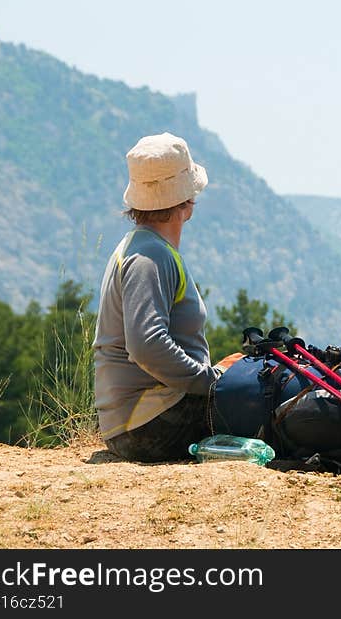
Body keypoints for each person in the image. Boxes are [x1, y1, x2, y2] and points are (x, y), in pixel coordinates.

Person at [93, 132, 241, 462]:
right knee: (261, 395)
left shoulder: (142, 247)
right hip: (147, 426)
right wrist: (210, 381)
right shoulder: (151, 257)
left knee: (243, 368)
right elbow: (147, 344)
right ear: (186, 201)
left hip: (137, 419)